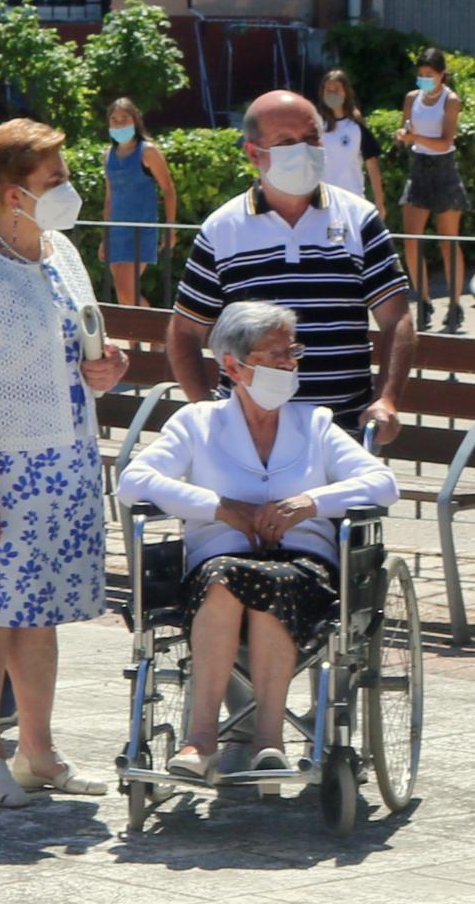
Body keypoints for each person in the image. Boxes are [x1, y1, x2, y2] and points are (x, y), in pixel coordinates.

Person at [116, 301, 405, 778]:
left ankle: (269, 741)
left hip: (304, 565)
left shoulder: (313, 424)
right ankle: (200, 738)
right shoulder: (197, 424)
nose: (289, 364)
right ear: (233, 365)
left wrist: (309, 502)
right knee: (227, 578)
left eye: (293, 352)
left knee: (270, 584)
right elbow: (134, 482)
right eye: (275, 355)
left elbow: (382, 484)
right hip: (219, 564)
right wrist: (220, 507)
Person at [0, 119, 124, 806]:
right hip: (0, 470)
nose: (69, 187)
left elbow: (82, 335)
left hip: (64, 456)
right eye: (55, 179)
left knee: (36, 615)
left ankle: (37, 752)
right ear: (14, 193)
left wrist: (106, 366)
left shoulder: (58, 250)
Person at [169, 87, 417, 442]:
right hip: (246, 441)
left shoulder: (359, 220)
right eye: (286, 142)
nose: (303, 150)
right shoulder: (221, 230)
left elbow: (397, 318)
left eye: (311, 137)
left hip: (341, 434)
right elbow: (184, 331)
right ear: (254, 153)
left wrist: (387, 399)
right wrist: (205, 410)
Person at [398, 48, 471, 320]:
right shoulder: (411, 98)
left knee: (448, 241)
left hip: (444, 171)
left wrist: (415, 138)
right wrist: (403, 135)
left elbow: (446, 140)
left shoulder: (451, 100)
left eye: (429, 75)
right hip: (418, 170)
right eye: (420, 75)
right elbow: (406, 129)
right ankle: (424, 300)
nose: (424, 80)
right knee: (411, 240)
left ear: (442, 75)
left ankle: (455, 303)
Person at [97, 96, 172, 307]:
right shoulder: (108, 155)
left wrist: (170, 228)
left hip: (140, 229)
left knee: (127, 290)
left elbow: (168, 188)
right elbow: (109, 198)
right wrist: (106, 235)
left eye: (124, 118)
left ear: (135, 120)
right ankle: (135, 340)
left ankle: (154, 334)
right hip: (117, 231)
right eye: (114, 119)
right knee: (123, 297)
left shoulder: (147, 151)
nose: (119, 123)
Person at [314, 64, 385, 218]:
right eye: (328, 89)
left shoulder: (356, 127)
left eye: (337, 89)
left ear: (345, 92)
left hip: (352, 203)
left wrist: (379, 202)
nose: (332, 93)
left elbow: (372, 166)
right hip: (324, 203)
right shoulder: (316, 127)